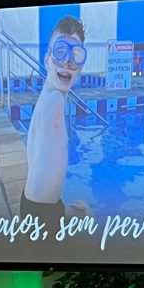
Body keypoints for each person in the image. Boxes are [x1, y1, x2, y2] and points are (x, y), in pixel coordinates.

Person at [20, 15, 87, 229]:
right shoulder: (56, 101)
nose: (68, 61)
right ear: (47, 60)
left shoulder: (47, 95)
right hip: (42, 214)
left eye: (76, 55)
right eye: (60, 52)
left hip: (31, 203)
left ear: (80, 68)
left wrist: (64, 210)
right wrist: (61, 215)